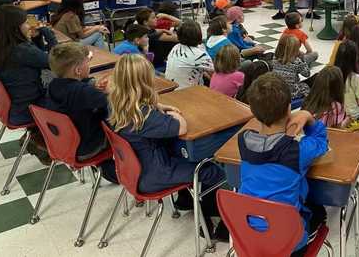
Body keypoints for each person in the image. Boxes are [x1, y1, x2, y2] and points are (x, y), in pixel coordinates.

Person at [108, 54, 227, 240]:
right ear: (144, 83)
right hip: (155, 173)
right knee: (211, 170)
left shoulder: (119, 106)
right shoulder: (146, 116)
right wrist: (174, 112)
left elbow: (148, 113)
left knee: (180, 152)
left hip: (135, 170)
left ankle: (186, 199)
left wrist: (158, 105)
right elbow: (182, 127)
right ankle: (208, 223)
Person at [238, 72, 328, 256]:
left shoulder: (243, 140)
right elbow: (321, 141)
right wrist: (307, 116)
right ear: (289, 109)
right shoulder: (298, 150)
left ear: (253, 112)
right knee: (319, 212)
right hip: (289, 242)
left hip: (248, 234)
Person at [0, 5, 52, 164]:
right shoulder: (21, 50)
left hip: (14, 107)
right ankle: (42, 140)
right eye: (25, 23)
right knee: (72, 94)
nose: (29, 26)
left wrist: (35, 39)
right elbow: (55, 62)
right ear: (16, 28)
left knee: (55, 82)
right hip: (28, 108)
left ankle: (36, 136)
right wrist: (49, 36)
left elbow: (39, 60)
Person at [46, 42, 114, 175]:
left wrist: (91, 84)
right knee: (121, 117)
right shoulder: (83, 92)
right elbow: (116, 101)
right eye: (87, 62)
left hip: (65, 144)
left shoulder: (53, 85)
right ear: (77, 70)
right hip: (89, 147)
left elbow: (78, 90)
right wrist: (110, 91)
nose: (89, 65)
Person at [165, 20, 213, 89]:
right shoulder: (199, 55)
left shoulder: (176, 47)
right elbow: (215, 74)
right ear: (199, 34)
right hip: (186, 93)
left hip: (172, 89)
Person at [272, 34, 311, 101]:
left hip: (277, 89)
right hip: (291, 92)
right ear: (295, 50)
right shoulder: (296, 61)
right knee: (305, 86)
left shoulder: (275, 58)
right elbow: (307, 74)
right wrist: (302, 59)